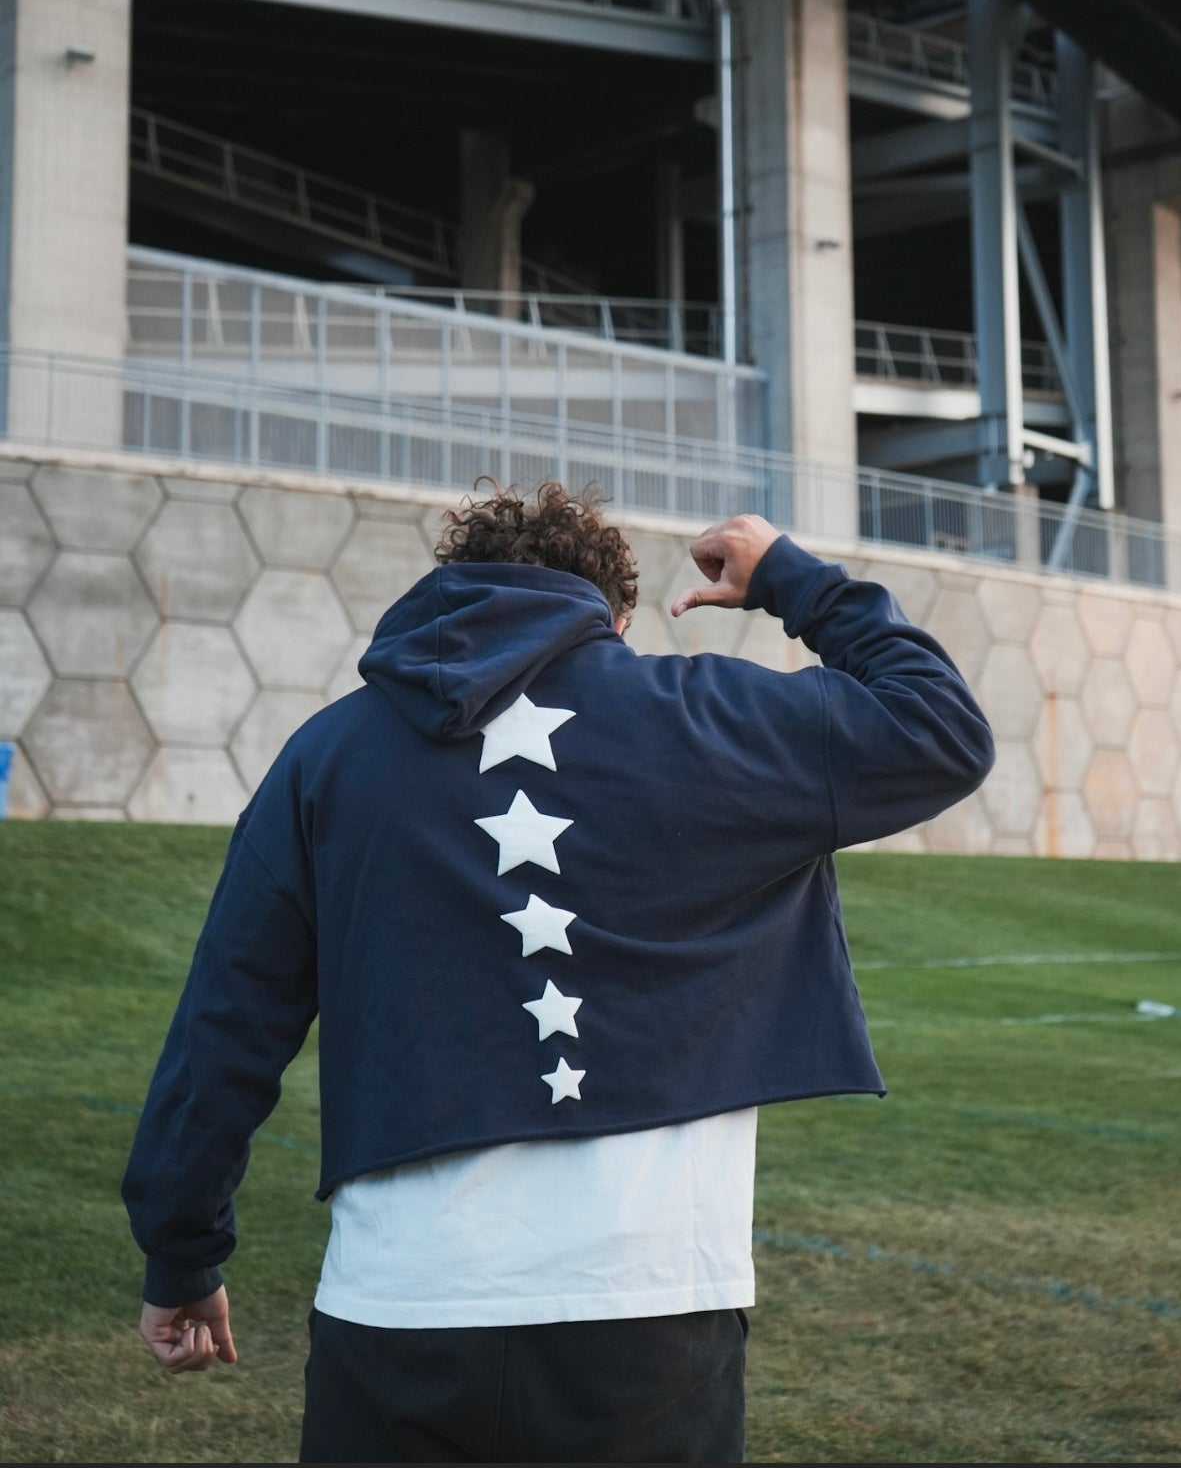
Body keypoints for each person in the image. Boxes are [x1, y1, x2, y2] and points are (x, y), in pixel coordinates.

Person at [122, 483, 994, 1464]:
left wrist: (183, 1250)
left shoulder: (327, 755)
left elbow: (226, 1024)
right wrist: (789, 575)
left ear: (449, 594)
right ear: (613, 621)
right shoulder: (704, 716)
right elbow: (942, 728)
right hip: (652, 1316)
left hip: (400, 1311)